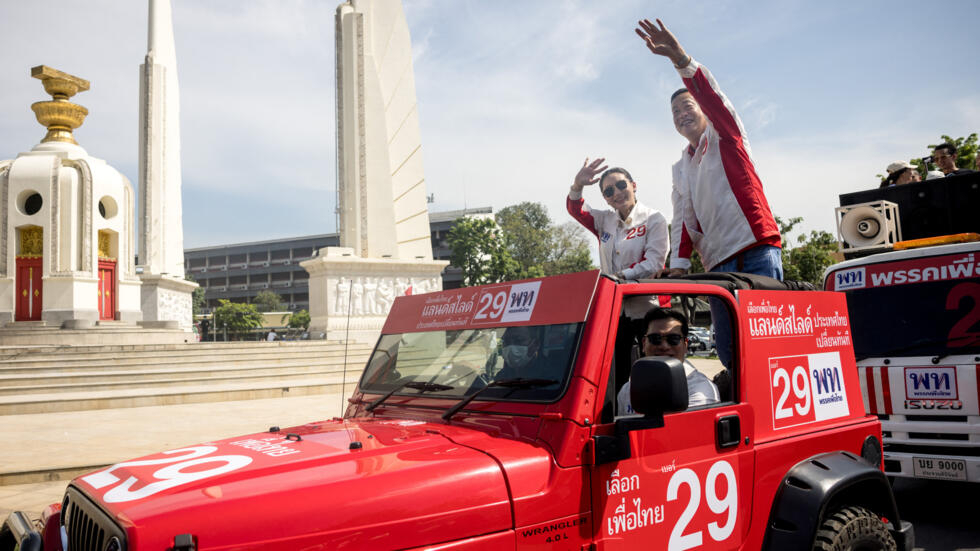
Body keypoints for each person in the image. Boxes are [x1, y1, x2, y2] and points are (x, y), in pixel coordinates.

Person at [635, 19, 782, 279]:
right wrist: (679, 264)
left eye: (687, 106)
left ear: (703, 110)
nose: (681, 114)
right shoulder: (680, 168)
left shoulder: (725, 134)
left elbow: (713, 98)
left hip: (755, 246)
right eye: (675, 112)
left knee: (761, 320)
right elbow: (682, 218)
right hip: (715, 260)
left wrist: (680, 59)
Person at [567, 159, 669, 280]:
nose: (617, 193)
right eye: (609, 191)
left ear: (634, 186)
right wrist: (577, 185)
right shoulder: (604, 220)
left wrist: (619, 277)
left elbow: (653, 263)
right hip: (613, 294)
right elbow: (576, 210)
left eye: (621, 185)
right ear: (605, 198)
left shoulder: (654, 218)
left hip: (645, 295)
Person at [617, 308, 719, 416]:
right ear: (644, 344)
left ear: (685, 345)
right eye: (655, 338)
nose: (664, 346)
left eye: (673, 339)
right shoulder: (627, 390)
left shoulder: (701, 391)